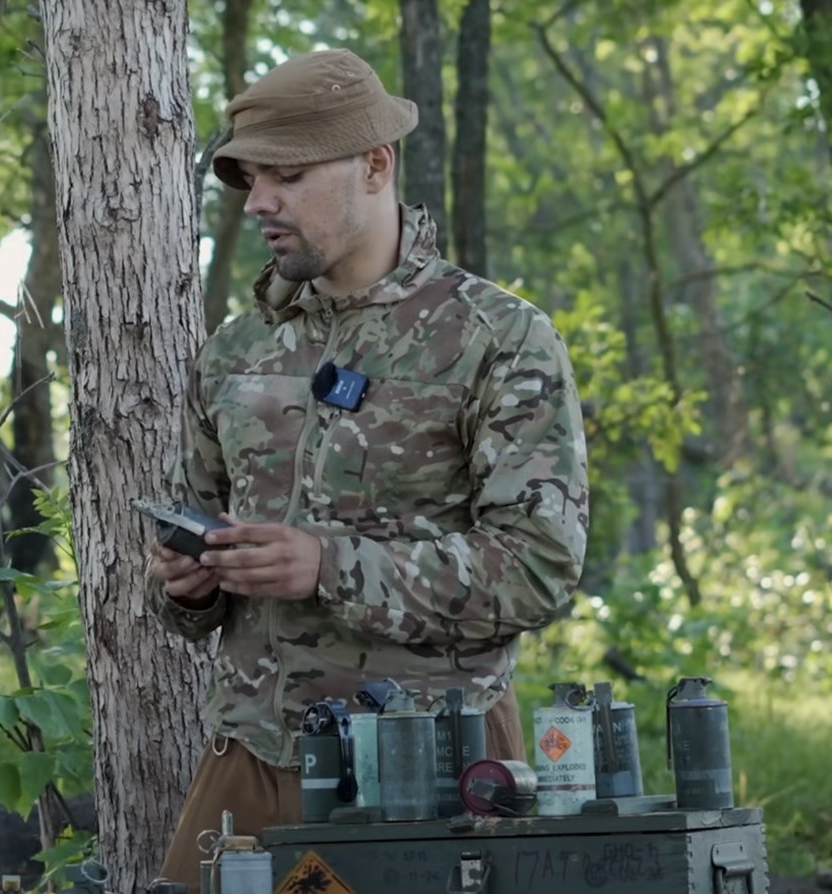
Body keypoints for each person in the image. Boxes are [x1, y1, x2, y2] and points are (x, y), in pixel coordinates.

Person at [147, 48, 590, 887]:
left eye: (288, 175)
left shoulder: (495, 338)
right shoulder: (236, 353)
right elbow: (190, 572)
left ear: (376, 166)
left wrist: (328, 565)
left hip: (434, 765)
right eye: (251, 179)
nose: (260, 201)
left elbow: (539, 569)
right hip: (255, 757)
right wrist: (186, 585)